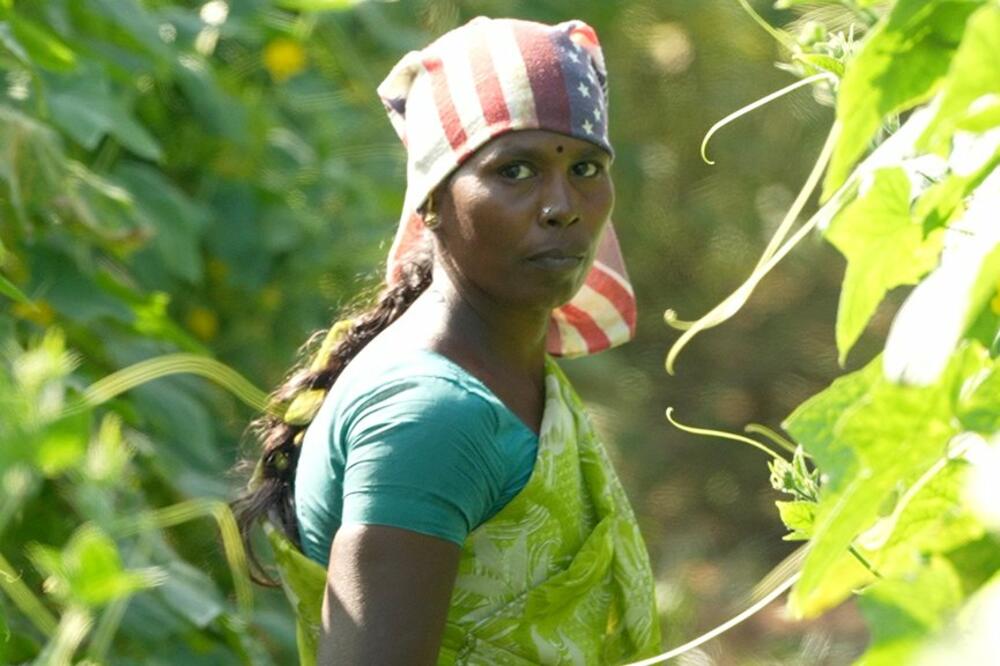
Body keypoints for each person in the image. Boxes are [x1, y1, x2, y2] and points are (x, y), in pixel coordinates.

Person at [234, 16, 661, 665]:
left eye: (585, 166)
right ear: (432, 201)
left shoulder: (507, 371)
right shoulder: (432, 416)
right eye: (514, 170)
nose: (562, 205)